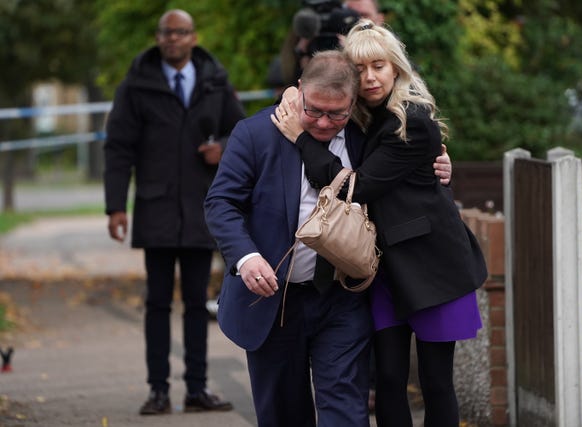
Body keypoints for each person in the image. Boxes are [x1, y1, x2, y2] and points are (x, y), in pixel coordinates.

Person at [272, 19, 487, 427]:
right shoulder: (362, 117)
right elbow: (310, 88)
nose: (369, 77)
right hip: (387, 269)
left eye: (379, 66)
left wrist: (300, 138)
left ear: (396, 68)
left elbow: (360, 187)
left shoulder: (412, 120)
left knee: (435, 381)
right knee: (387, 379)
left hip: (434, 267)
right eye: (360, 69)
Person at [204, 50, 373, 427]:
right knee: (282, 413)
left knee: (345, 408)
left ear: (353, 103)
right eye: (314, 110)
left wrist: (436, 163)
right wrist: (246, 258)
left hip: (342, 298)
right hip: (272, 302)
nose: (325, 123)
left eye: (337, 114)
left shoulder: (366, 138)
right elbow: (220, 203)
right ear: (298, 90)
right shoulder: (255, 133)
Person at [103, 9, 244, 416]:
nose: (173, 40)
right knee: (158, 303)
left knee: (198, 304)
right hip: (156, 208)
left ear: (193, 38)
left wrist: (224, 149)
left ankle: (197, 390)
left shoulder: (215, 80)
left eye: (181, 33)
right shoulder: (137, 84)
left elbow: (243, 131)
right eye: (167, 33)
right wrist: (115, 206)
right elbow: (118, 147)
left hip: (202, 207)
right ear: (158, 36)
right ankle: (158, 391)